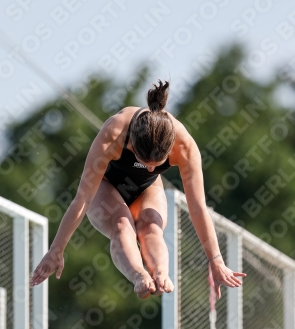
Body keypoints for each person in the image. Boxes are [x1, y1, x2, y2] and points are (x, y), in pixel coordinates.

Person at [30, 80, 246, 299]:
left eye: (157, 164)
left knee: (151, 224)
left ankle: (161, 272)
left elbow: (198, 207)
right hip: (106, 185)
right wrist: (56, 250)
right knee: (122, 224)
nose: (150, 167)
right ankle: (139, 276)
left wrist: (216, 261)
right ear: (132, 142)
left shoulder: (185, 146)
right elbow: (82, 199)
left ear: (171, 148)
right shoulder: (114, 133)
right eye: (144, 161)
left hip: (148, 185)